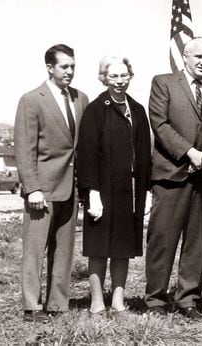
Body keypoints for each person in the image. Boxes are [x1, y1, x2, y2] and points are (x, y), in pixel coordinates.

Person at [144, 37, 202, 317]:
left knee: (197, 242)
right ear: (185, 56)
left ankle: (188, 298)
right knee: (163, 239)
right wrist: (190, 153)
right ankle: (156, 298)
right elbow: (160, 124)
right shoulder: (163, 83)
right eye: (199, 57)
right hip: (171, 176)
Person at [14, 44, 89, 322]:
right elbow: (24, 148)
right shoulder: (32, 99)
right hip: (41, 191)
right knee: (34, 251)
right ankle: (31, 307)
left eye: (72, 66)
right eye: (64, 66)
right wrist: (32, 188)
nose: (69, 71)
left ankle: (57, 305)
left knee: (64, 251)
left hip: (71, 188)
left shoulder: (81, 98)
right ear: (50, 68)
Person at [76, 55, 150, 314]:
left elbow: (144, 155)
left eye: (123, 75)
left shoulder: (138, 110)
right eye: (113, 76)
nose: (119, 81)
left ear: (130, 76)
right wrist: (91, 192)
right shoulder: (96, 110)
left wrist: (145, 191)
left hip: (128, 191)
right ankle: (97, 301)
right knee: (98, 247)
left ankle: (118, 299)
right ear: (104, 78)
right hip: (102, 189)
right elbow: (86, 154)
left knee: (122, 247)